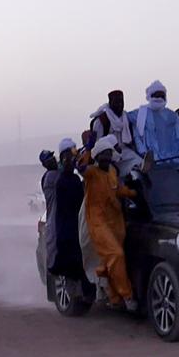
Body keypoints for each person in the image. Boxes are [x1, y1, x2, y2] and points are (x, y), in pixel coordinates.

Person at [83, 135, 139, 312]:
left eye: (109, 154)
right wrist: (86, 151)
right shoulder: (91, 172)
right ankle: (127, 296)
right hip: (98, 223)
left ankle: (113, 297)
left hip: (116, 221)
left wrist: (134, 192)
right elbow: (81, 167)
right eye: (103, 154)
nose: (106, 157)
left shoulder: (113, 172)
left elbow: (118, 190)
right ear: (97, 156)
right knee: (116, 254)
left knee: (112, 260)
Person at [49, 143, 90, 289]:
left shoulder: (71, 180)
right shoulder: (61, 181)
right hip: (69, 228)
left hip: (72, 226)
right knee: (74, 262)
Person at [128, 80, 179, 166]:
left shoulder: (172, 116)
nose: (159, 98)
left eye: (161, 95)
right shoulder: (140, 114)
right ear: (150, 96)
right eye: (156, 95)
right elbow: (136, 136)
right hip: (153, 162)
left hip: (175, 160)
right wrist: (144, 154)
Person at [90, 90, 143, 174]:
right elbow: (98, 144)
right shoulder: (102, 120)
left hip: (124, 151)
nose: (120, 105)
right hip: (107, 153)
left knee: (139, 162)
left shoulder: (126, 117)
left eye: (121, 102)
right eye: (116, 102)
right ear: (110, 102)